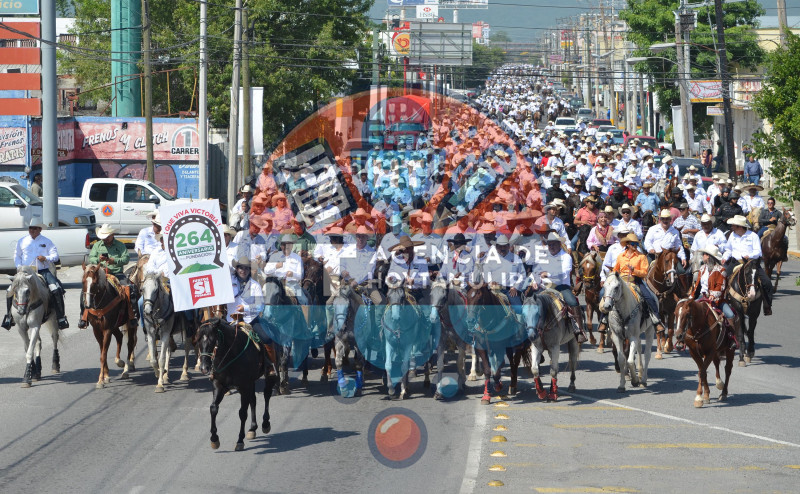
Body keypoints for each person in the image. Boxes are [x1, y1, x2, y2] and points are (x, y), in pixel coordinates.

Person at [3, 222, 69, 330]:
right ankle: (9, 317)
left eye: (34, 228)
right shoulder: (22, 241)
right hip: (25, 272)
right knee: (10, 290)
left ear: (40, 229)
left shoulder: (47, 241)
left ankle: (61, 318)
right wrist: (19, 267)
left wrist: (46, 258)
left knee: (56, 289)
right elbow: (17, 256)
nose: (31, 230)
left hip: (42, 271)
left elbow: (55, 256)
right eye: (30, 228)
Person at [533, 232, 587, 343]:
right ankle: (530, 330)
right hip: (544, 287)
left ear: (559, 244)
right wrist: (534, 281)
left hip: (561, 286)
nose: (551, 247)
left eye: (553, 244)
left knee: (572, 301)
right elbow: (536, 271)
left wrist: (548, 274)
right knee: (530, 302)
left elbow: (565, 272)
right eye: (549, 244)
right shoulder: (543, 256)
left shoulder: (566, 256)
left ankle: (579, 330)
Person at [79, 224, 136, 329]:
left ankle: (132, 315)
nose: (105, 239)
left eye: (107, 237)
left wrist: (112, 260)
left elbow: (126, 259)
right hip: (100, 273)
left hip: (116, 273)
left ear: (112, 234)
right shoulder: (97, 245)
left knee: (129, 289)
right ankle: (83, 316)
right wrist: (98, 260)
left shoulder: (120, 245)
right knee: (84, 291)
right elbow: (91, 258)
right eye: (103, 237)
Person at [612, 232, 666, 334]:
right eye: (633, 244)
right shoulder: (620, 256)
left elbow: (644, 273)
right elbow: (615, 269)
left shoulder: (641, 257)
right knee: (606, 295)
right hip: (622, 280)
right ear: (627, 244)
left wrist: (634, 271)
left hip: (636, 280)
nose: (635, 246)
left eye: (636, 244)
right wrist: (612, 276)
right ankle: (604, 320)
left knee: (649, 297)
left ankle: (656, 320)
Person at [687, 244, 737, 349]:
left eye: (704, 255)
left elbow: (721, 286)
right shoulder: (702, 268)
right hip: (702, 296)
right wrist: (691, 297)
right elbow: (697, 286)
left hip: (717, 299)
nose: (702, 256)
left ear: (709, 256)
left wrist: (713, 296)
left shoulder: (721, 270)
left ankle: (731, 338)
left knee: (730, 315)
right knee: (687, 311)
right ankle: (685, 337)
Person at [722, 215, 773, 316]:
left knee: (767, 283)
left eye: (734, 225)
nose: (732, 227)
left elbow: (758, 252)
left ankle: (767, 306)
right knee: (722, 279)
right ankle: (724, 302)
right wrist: (724, 257)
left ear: (740, 227)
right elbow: (728, 249)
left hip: (751, 263)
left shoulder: (753, 236)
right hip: (735, 262)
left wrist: (749, 256)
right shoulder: (732, 235)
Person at [228, 256, 268, 343]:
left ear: (249, 270)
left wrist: (245, 308)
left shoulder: (255, 285)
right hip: (231, 320)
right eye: (241, 268)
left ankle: (272, 357)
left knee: (266, 338)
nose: (243, 271)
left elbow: (260, 306)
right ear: (237, 269)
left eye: (246, 268)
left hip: (250, 320)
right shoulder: (228, 282)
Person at [264, 234, 307, 305]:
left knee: (304, 300)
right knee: (263, 297)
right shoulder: (274, 256)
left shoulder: (297, 258)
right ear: (281, 246)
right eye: (283, 244)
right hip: (275, 283)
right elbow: (266, 270)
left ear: (292, 246)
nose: (286, 246)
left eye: (288, 244)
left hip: (293, 283)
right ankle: (263, 314)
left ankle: (305, 316)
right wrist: (276, 266)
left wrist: (293, 274)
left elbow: (301, 275)